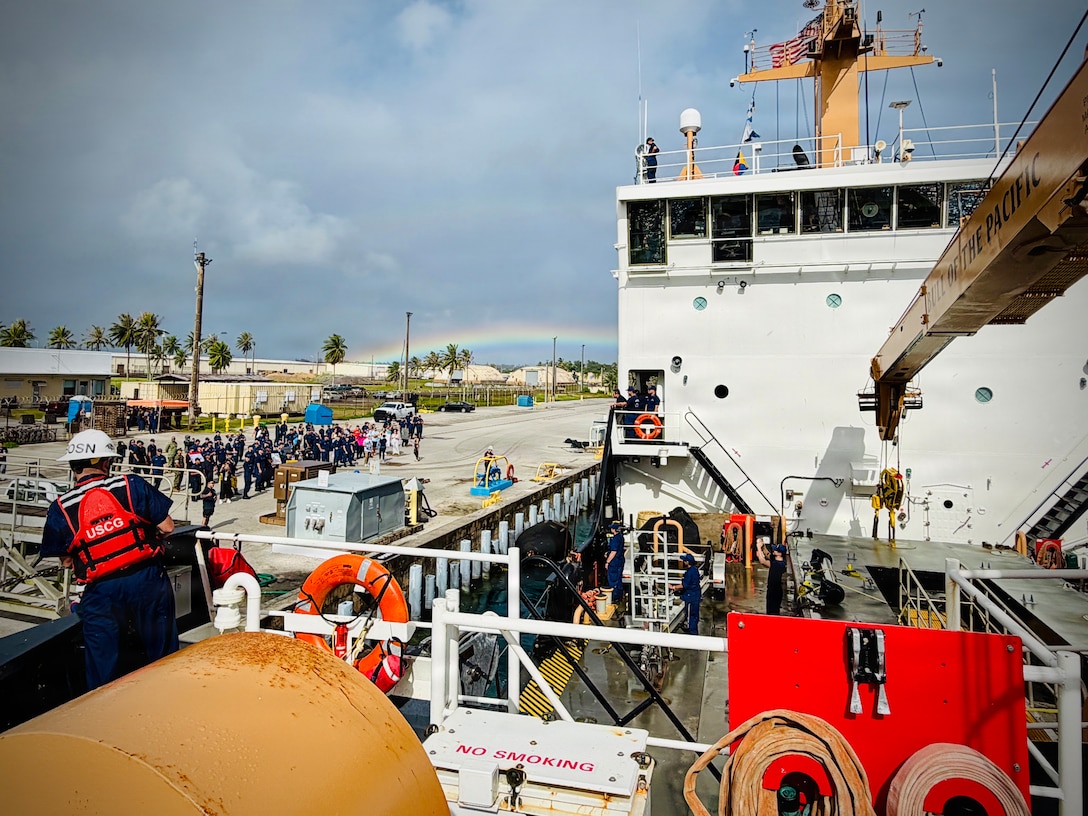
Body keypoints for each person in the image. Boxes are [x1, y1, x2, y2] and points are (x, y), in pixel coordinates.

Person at [40, 429, 178, 690]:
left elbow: (67, 561)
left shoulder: (60, 507)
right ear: (105, 463)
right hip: (146, 579)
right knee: (162, 656)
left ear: (73, 465)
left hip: (101, 592)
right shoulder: (131, 485)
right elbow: (168, 527)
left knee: (103, 667)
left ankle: (104, 718)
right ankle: (164, 700)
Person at [670, 553, 702, 634]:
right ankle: (693, 630)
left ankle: (692, 632)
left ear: (688, 562)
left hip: (690, 597)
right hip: (696, 595)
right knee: (695, 615)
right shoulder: (695, 570)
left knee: (690, 615)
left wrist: (673, 587)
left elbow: (684, 585)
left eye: (684, 560)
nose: (683, 562)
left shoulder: (689, 572)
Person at [757, 540, 789, 615]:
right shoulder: (782, 562)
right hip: (777, 590)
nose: (773, 550)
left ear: (779, 554)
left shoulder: (776, 565)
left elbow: (762, 561)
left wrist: (758, 547)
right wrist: (763, 547)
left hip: (773, 591)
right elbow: (768, 555)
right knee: (775, 610)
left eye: (775, 550)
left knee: (772, 611)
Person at [606, 521, 626, 606]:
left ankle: (615, 597)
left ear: (614, 530)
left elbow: (614, 552)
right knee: (619, 578)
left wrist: (607, 562)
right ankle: (620, 596)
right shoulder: (621, 537)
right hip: (620, 560)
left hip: (615, 562)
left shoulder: (615, 539)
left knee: (613, 579)